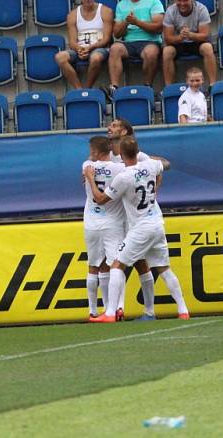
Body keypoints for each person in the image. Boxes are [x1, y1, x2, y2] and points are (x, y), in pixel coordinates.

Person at [86, 136, 190, 322]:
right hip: (157, 223)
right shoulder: (150, 165)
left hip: (140, 227)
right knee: (164, 268)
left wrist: (91, 179)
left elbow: (101, 199)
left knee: (117, 265)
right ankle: (183, 310)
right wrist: (156, 186)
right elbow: (165, 164)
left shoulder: (124, 177)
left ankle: (110, 312)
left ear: (122, 155)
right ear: (137, 152)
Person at [82, 136, 126, 319]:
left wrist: (90, 177)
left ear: (95, 152)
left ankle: (93, 311)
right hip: (112, 223)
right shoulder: (120, 169)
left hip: (91, 223)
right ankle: (114, 307)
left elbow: (90, 165)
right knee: (113, 265)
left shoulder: (86, 166)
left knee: (93, 266)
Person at [108, 0, 165, 94]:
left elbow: (158, 27)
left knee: (151, 53)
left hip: (150, 41)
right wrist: (126, 22)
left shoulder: (153, 1)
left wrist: (137, 22)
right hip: (128, 42)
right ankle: (114, 88)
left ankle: (147, 86)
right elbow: (117, 33)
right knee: (115, 48)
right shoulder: (121, 5)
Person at [55, 0, 114, 89]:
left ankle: (87, 89)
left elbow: (106, 39)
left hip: (99, 48)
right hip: (80, 49)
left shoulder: (106, 11)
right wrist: (79, 49)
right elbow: (72, 41)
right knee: (60, 57)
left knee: (95, 58)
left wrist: (90, 48)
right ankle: (79, 89)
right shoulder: (72, 15)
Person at [161, 0, 216, 86]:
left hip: (196, 41)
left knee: (208, 48)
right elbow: (167, 38)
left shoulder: (201, 9)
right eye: (179, 0)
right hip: (178, 42)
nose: (182, 3)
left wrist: (190, 35)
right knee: (167, 51)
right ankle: (169, 87)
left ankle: (213, 85)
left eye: (185, 0)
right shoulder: (170, 11)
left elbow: (205, 35)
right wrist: (180, 37)